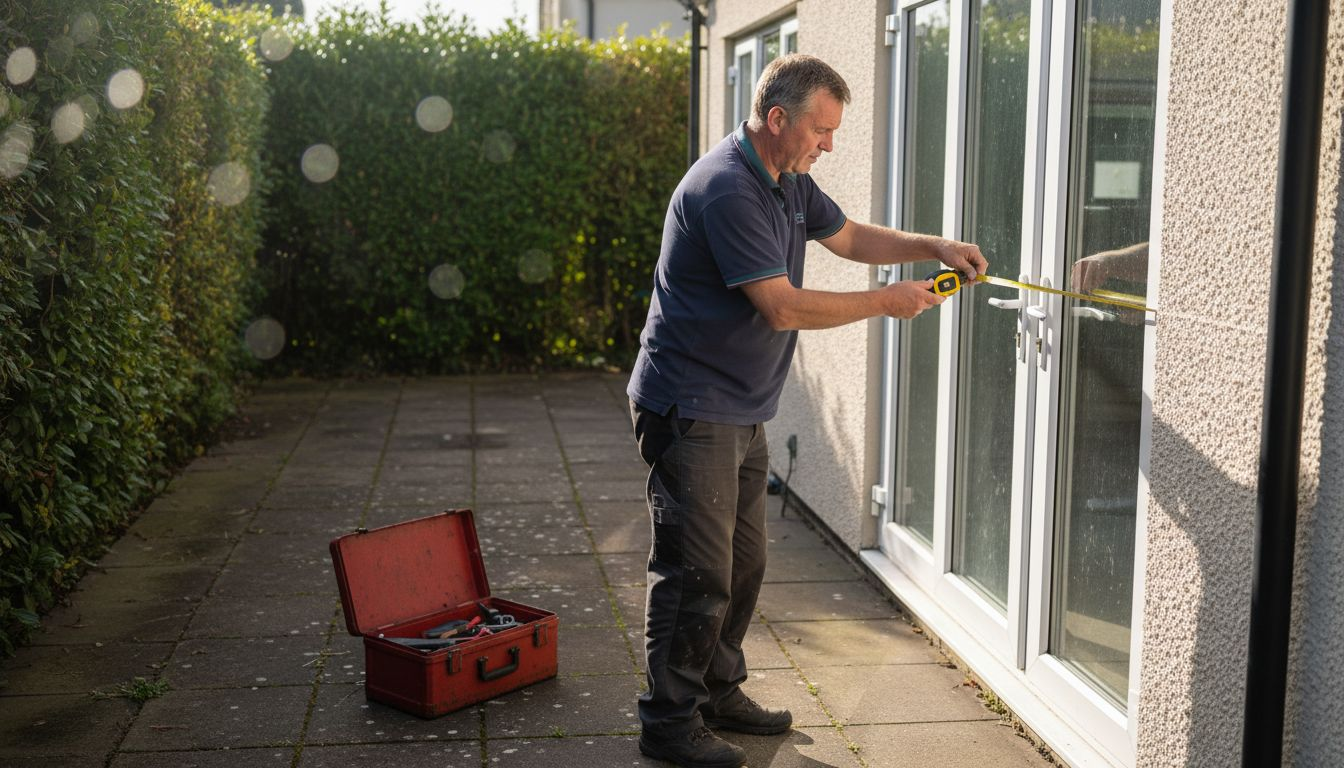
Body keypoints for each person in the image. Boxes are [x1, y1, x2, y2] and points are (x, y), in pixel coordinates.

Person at [626, 54, 986, 768]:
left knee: (745, 562)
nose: (828, 144)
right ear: (778, 118)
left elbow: (850, 238)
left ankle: (718, 691)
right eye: (821, 129)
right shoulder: (727, 188)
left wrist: (931, 246)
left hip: (737, 409)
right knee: (696, 572)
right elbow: (782, 306)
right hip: (690, 407)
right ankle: (667, 723)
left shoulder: (787, 182)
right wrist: (889, 301)